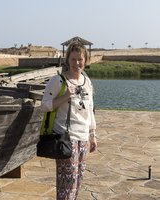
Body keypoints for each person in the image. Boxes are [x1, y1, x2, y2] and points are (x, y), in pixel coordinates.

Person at [41, 41, 97, 200]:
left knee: (78, 182)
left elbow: (90, 111)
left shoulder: (87, 82)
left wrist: (93, 135)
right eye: (73, 59)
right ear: (67, 60)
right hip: (66, 139)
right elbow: (44, 106)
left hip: (83, 138)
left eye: (80, 59)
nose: (77, 63)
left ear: (85, 60)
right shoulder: (58, 81)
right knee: (67, 184)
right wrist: (65, 97)